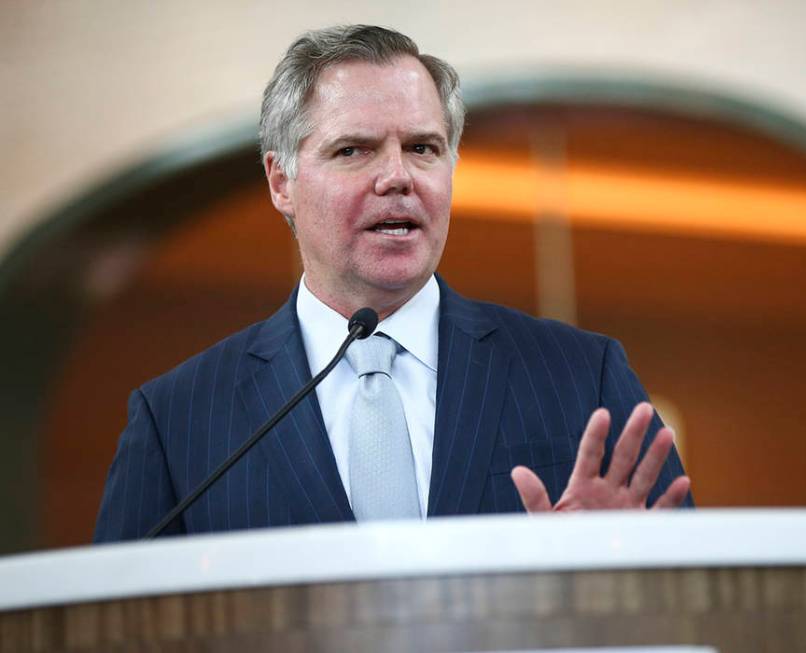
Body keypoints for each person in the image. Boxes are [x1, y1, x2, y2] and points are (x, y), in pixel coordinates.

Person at [94, 25, 692, 541]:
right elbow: (111, 627)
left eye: (423, 148)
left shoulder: (581, 376)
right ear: (281, 181)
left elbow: (695, 600)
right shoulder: (178, 419)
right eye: (354, 150)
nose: (398, 177)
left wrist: (614, 572)